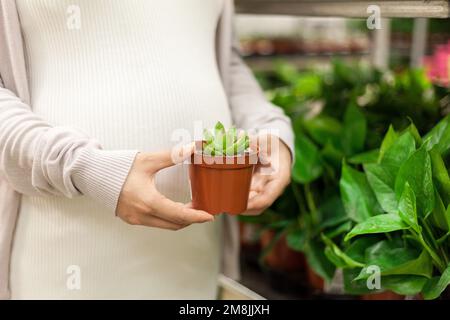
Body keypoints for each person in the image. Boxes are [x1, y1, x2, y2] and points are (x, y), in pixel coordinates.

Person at [0, 0, 293, 299]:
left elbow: (222, 58)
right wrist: (85, 168)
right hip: (64, 257)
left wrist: (269, 128)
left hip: (193, 260)